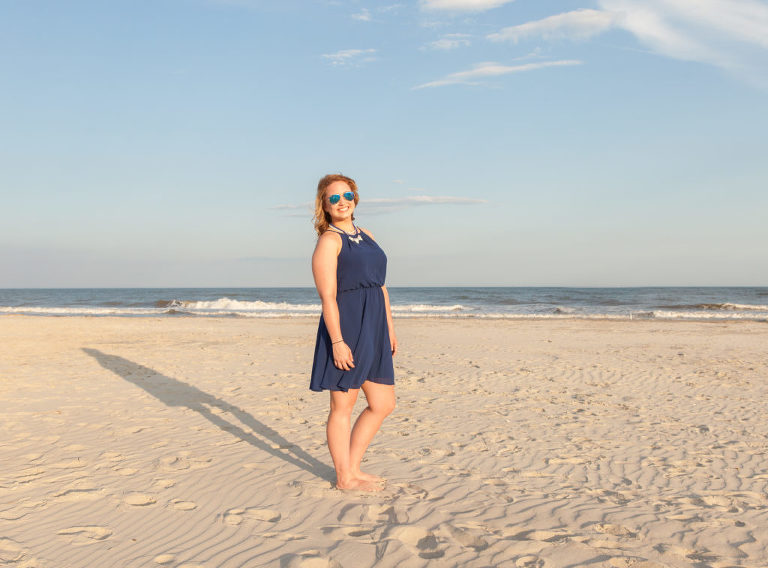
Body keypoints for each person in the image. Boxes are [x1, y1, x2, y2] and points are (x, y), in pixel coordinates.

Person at [310, 173, 397, 492]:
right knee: (342, 405)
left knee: (383, 403)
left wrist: (388, 328)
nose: (341, 202)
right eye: (333, 198)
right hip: (347, 326)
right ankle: (344, 477)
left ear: (355, 198)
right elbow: (328, 297)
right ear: (325, 204)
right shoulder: (329, 241)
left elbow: (381, 285)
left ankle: (354, 467)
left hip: (374, 325)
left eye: (346, 195)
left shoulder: (368, 234)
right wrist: (337, 342)